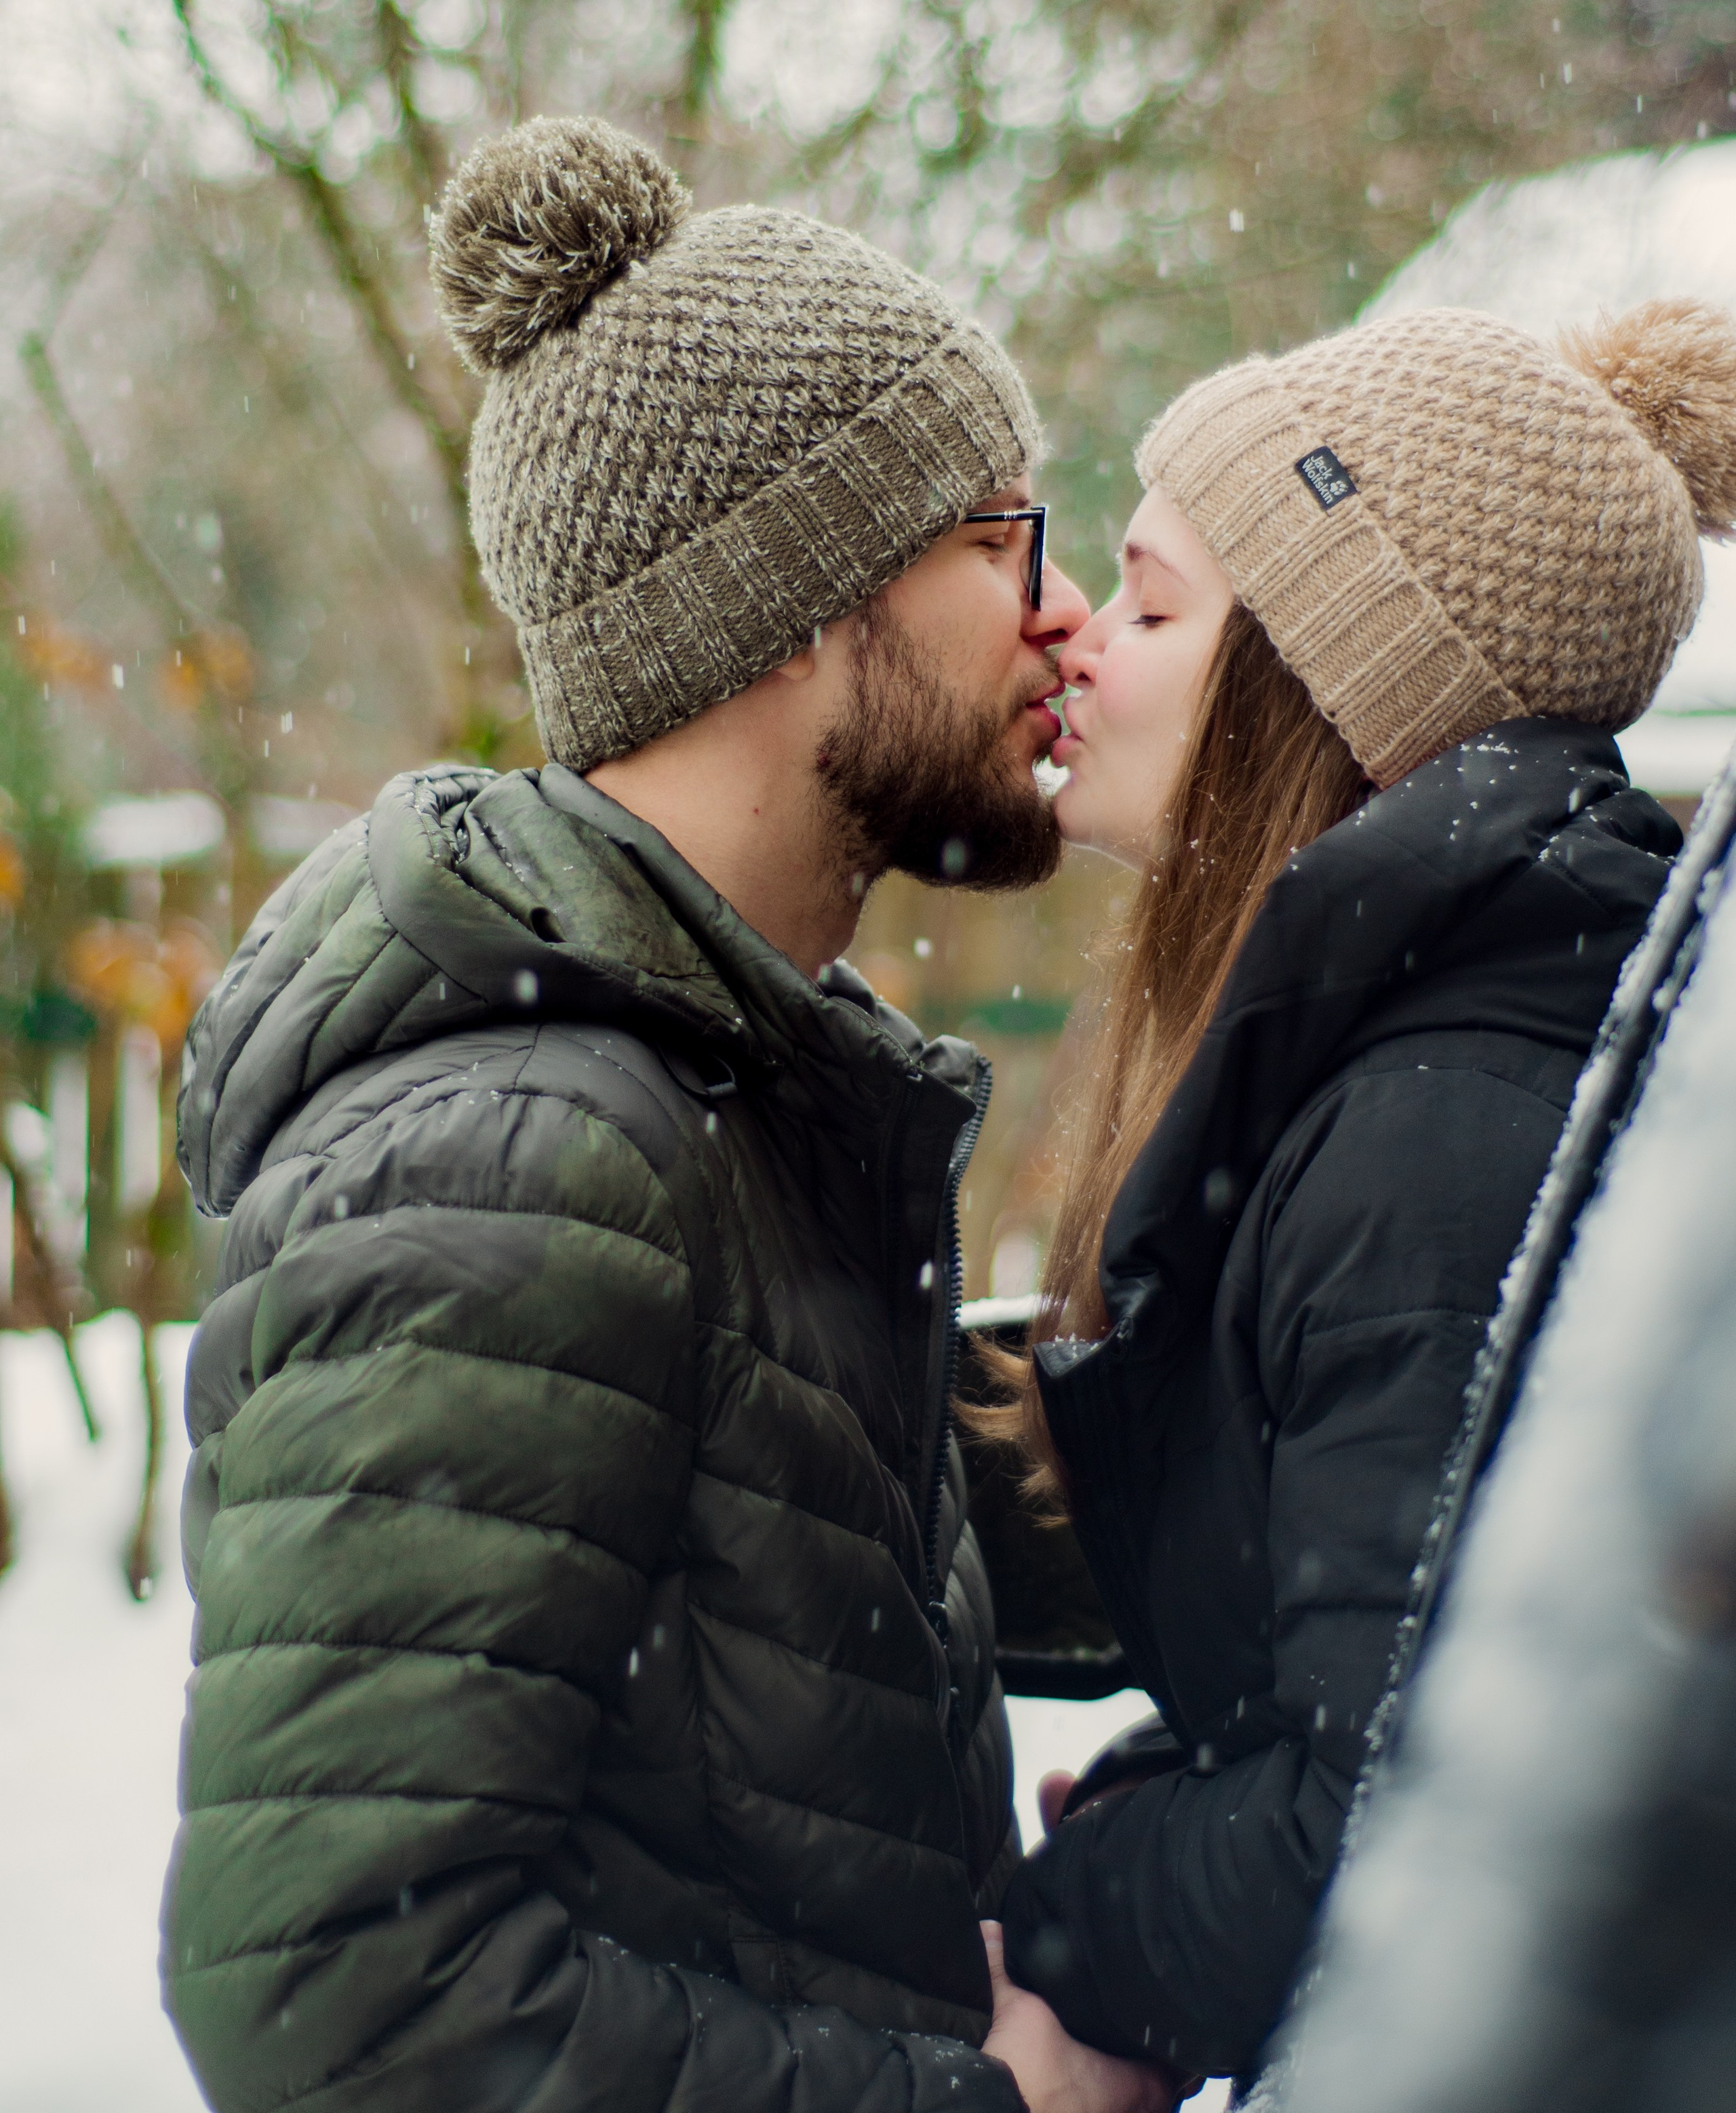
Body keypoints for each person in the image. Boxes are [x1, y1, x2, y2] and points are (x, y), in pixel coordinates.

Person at [162, 114, 1161, 2113]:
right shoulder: (515, 1163)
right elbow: (345, 2005)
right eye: (999, 539)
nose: (1060, 611)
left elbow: (782, 1620)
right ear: (797, 600)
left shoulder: (733, 1094)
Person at [980, 297, 1736, 2091]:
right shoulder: (1385, 1071)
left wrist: (1065, 1926)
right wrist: (1180, 1783)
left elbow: (1389, 1833)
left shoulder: (1430, 1144)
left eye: (1155, 605)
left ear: (1339, 693)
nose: (1081, 636)